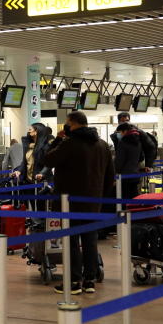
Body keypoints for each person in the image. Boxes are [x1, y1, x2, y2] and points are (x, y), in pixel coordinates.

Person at [43, 111, 113, 294]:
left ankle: (74, 281)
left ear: (72, 123)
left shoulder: (69, 144)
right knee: (90, 240)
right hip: (93, 202)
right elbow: (110, 177)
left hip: (70, 202)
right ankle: (90, 280)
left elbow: (47, 159)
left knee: (72, 242)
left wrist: (57, 141)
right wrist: (99, 195)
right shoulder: (103, 145)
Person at [113, 123, 143, 199]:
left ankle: (125, 211)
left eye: (119, 132)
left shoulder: (123, 143)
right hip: (135, 174)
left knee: (124, 198)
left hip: (124, 176)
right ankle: (136, 210)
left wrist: (115, 173)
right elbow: (141, 157)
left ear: (125, 131)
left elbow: (119, 161)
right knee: (134, 196)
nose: (119, 134)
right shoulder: (138, 142)